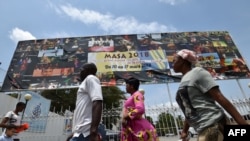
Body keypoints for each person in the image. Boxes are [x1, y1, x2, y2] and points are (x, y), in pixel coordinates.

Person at [172, 49, 249, 141]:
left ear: (182, 61)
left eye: (174, 61)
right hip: (203, 128)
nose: (172, 64)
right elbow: (189, 110)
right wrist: (185, 131)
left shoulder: (198, 72)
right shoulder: (183, 80)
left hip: (213, 125)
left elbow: (219, 97)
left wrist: (243, 125)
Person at [66, 62, 104, 141]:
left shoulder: (90, 78)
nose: (79, 73)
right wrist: (74, 134)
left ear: (88, 71)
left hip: (87, 133)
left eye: (81, 70)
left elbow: (97, 102)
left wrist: (93, 130)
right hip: (81, 133)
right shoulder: (85, 83)